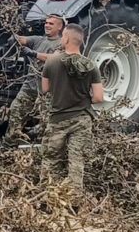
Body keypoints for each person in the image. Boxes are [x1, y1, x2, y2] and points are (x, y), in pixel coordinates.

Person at [40, 23, 104, 190]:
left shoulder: (51, 62)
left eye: (63, 36)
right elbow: (98, 98)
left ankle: (47, 199)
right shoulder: (91, 66)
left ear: (66, 38)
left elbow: (44, 89)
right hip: (82, 119)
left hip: (57, 120)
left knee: (51, 160)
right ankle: (75, 201)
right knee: (76, 162)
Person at [0, 14, 65, 149]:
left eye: (51, 23)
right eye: (46, 22)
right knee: (15, 115)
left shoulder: (62, 44)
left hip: (48, 92)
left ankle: (42, 155)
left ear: (60, 27)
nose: (47, 25)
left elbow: (54, 59)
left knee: (46, 126)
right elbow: (21, 40)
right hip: (29, 87)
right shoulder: (38, 40)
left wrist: (33, 54)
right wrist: (14, 37)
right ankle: (8, 148)